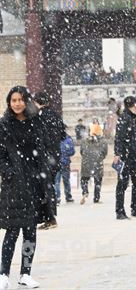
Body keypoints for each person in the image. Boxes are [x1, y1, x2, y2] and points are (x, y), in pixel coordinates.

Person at [0, 86, 56, 289]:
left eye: (20, 99)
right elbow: (1, 155)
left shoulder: (35, 122)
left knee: (30, 231)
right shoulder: (4, 124)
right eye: (13, 100)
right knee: (12, 231)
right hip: (14, 185)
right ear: (9, 102)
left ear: (26, 101)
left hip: (34, 183)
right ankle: (3, 274)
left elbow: (42, 148)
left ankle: (25, 273)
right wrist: (9, 173)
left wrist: (44, 174)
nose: (17, 103)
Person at [32, 91, 66, 230]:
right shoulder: (55, 115)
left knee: (44, 188)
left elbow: (37, 138)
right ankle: (48, 217)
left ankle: (50, 218)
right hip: (54, 156)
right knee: (49, 186)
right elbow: (63, 135)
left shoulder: (39, 117)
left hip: (44, 157)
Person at [113, 96, 136, 220]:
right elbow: (119, 138)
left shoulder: (132, 118)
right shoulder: (124, 118)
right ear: (133, 105)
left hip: (133, 155)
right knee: (122, 183)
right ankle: (120, 211)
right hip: (125, 156)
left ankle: (135, 208)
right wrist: (117, 153)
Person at [80, 125, 108, 204]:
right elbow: (105, 153)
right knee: (98, 181)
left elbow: (81, 151)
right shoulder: (103, 141)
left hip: (86, 162)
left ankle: (85, 191)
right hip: (98, 163)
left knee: (84, 179)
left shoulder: (84, 141)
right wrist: (99, 158)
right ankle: (96, 198)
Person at [54, 132, 75, 205]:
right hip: (60, 163)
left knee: (61, 181)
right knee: (59, 181)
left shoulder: (67, 139)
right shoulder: (67, 139)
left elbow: (72, 152)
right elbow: (72, 152)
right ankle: (60, 197)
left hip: (62, 163)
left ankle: (63, 196)